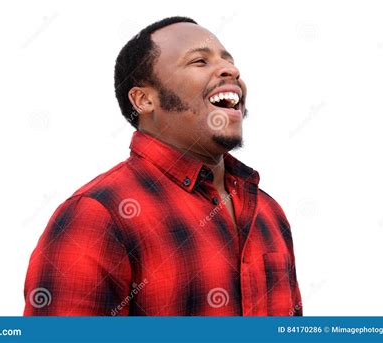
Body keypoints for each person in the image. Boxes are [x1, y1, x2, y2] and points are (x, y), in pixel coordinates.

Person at [23, 16, 302, 316]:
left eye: (229, 61)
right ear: (144, 100)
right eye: (199, 61)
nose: (231, 70)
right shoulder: (96, 215)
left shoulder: (268, 212)